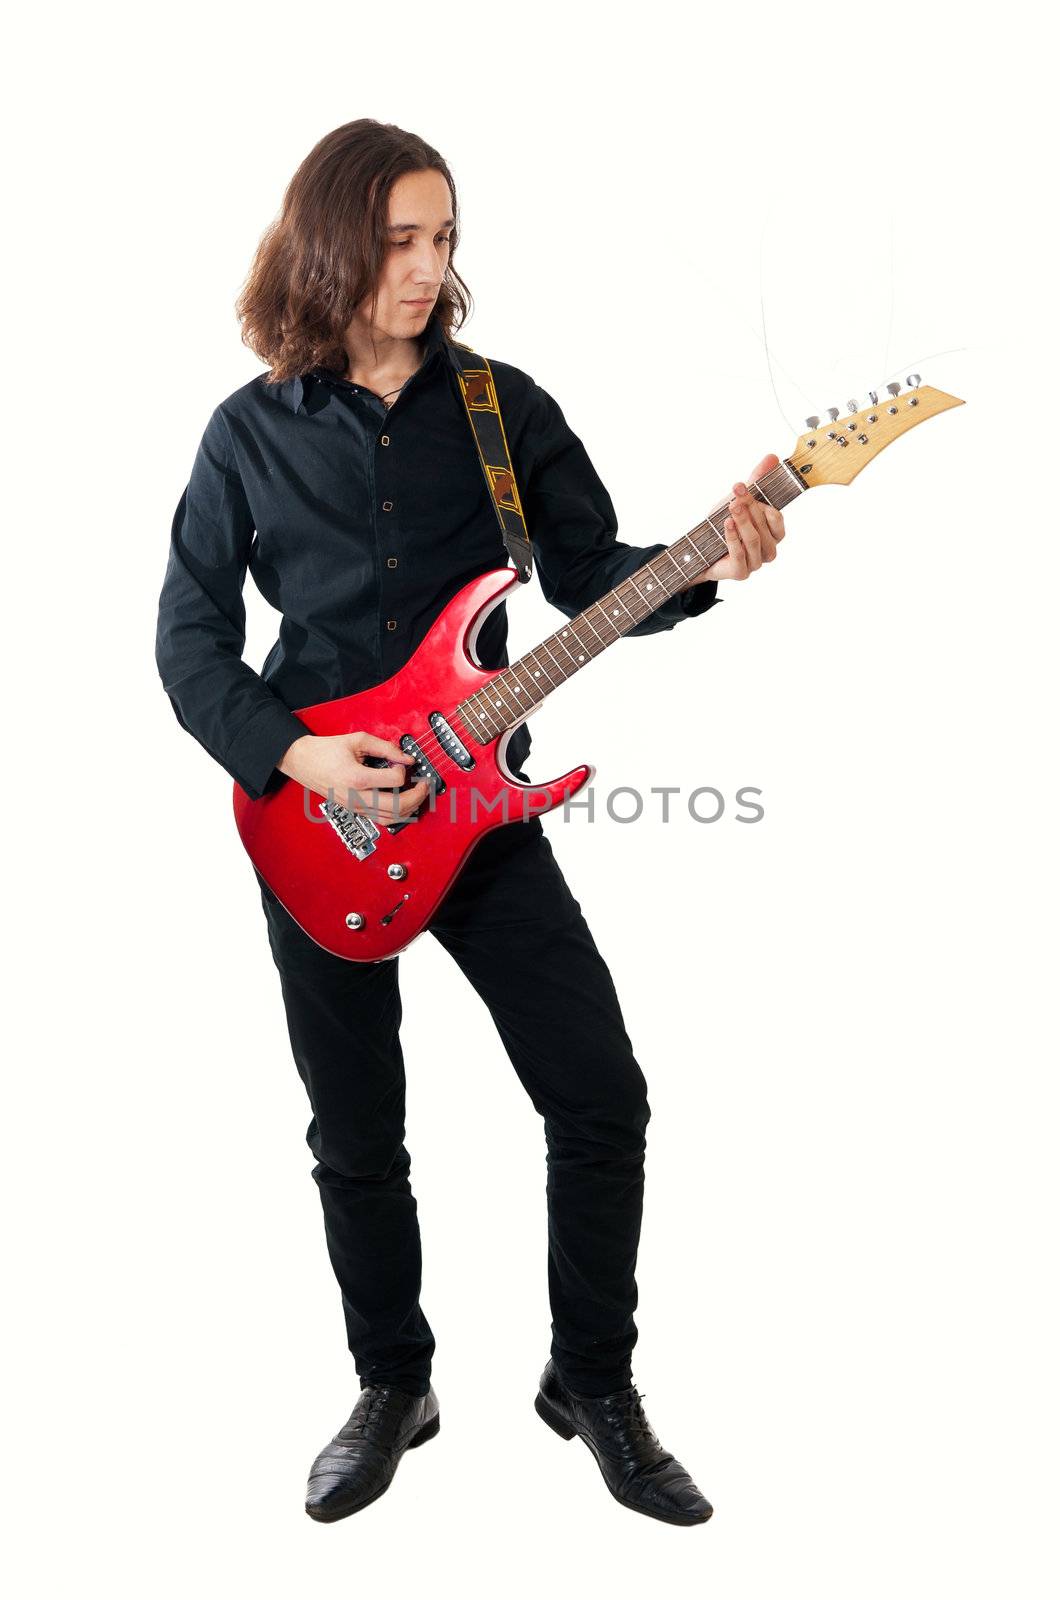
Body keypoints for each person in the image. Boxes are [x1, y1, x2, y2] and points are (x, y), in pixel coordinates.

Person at [154, 118, 785, 1528]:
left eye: (443, 237)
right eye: (397, 240)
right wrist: (299, 760)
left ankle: (593, 1382)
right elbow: (188, 641)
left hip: (484, 824)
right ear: (329, 243)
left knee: (601, 1096)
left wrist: (715, 559)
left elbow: (588, 574)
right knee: (356, 1131)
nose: (428, 267)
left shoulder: (502, 410)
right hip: (316, 833)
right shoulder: (246, 434)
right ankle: (394, 1383)